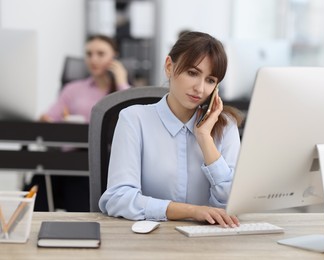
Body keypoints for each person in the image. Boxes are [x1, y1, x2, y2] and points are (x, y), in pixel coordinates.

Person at [99, 31, 243, 227]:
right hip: (149, 242)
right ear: (169, 67)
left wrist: (204, 138)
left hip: (210, 244)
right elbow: (118, 198)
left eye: (210, 80)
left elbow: (230, 206)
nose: (200, 89)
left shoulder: (226, 126)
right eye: (192, 73)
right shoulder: (133, 119)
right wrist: (192, 211)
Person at [25, 34, 131, 212]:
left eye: (100, 53)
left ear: (114, 57)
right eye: (89, 54)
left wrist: (121, 81)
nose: (93, 59)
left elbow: (131, 112)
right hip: (68, 159)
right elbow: (52, 116)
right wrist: (46, 120)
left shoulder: (121, 90)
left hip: (101, 162)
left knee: (80, 182)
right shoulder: (73, 89)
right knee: (41, 177)